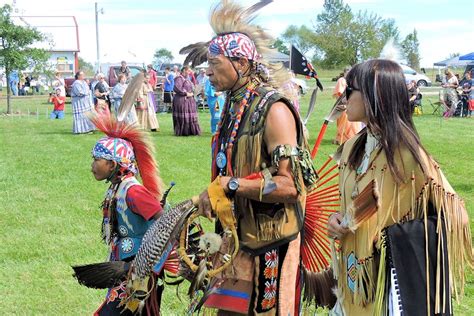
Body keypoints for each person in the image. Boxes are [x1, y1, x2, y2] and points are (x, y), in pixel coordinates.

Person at [184, 1, 318, 314]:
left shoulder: (274, 111)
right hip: (235, 242)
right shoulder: (233, 108)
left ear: (241, 63)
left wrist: (230, 186)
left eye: (214, 64)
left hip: (268, 247)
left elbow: (290, 186)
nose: (208, 71)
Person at [327, 59, 472, 315]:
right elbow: (345, 207)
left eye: (350, 90)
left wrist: (395, 237)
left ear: (375, 95)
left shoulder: (408, 157)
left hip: (386, 290)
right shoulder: (351, 148)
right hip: (350, 284)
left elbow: (456, 218)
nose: (343, 97)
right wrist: (336, 219)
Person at [87, 110, 164, 315]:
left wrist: (149, 261)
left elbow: (164, 220)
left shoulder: (133, 191)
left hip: (140, 269)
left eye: (97, 159)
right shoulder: (116, 187)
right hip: (125, 264)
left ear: (113, 164)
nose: (92, 165)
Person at [333, 67, 361, 145]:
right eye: (347, 72)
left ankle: (352, 137)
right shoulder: (342, 80)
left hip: (352, 105)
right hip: (343, 105)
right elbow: (339, 94)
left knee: (354, 123)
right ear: (344, 73)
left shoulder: (353, 81)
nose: (348, 74)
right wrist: (343, 104)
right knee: (344, 123)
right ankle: (342, 138)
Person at [172, 66, 201, 136]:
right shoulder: (179, 78)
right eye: (188, 71)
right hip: (182, 100)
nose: (190, 73)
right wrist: (186, 93)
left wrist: (194, 92)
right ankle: (183, 131)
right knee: (183, 115)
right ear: (184, 70)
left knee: (191, 116)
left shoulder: (187, 79)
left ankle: (191, 131)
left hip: (189, 101)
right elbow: (177, 88)